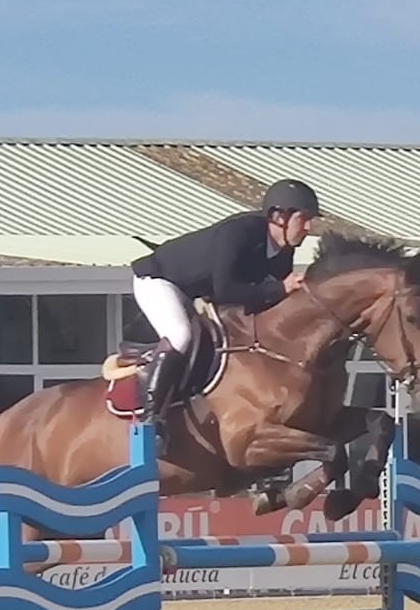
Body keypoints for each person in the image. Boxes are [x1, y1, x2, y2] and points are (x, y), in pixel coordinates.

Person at [130, 178, 323, 425]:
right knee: (181, 335)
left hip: (194, 293)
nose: (308, 227)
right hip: (160, 281)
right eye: (304, 219)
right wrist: (282, 287)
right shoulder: (238, 233)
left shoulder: (283, 249)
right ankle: (152, 416)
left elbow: (268, 300)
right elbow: (227, 291)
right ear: (279, 217)